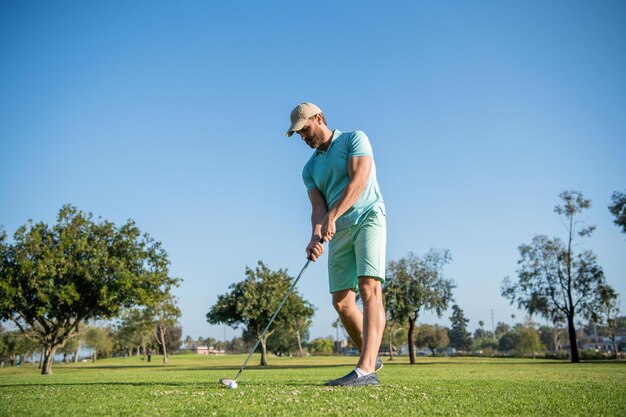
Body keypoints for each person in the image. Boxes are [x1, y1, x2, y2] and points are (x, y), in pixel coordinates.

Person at [286, 102, 387, 387]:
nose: (304, 137)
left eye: (305, 129)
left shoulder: (354, 139)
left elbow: (359, 180)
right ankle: (372, 355)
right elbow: (318, 207)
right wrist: (315, 235)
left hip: (368, 218)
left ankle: (366, 371)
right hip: (337, 229)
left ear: (319, 118)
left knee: (369, 287)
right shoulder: (310, 168)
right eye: (299, 134)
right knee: (341, 301)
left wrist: (333, 214)